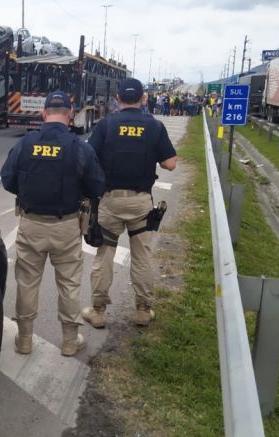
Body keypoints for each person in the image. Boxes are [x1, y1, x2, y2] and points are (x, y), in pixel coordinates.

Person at [0, 90, 105, 357]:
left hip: (31, 223)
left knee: (26, 282)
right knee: (69, 283)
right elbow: (96, 186)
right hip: (67, 225)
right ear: (70, 115)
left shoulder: (25, 144)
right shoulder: (80, 147)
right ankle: (70, 341)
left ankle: (24, 339)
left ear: (43, 114)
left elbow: (8, 180)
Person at [82, 78, 177, 328]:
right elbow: (170, 163)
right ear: (143, 98)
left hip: (111, 201)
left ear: (118, 98)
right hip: (140, 203)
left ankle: (98, 311)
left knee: (104, 255)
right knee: (142, 257)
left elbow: (88, 159)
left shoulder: (106, 125)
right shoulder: (154, 127)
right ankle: (143, 311)